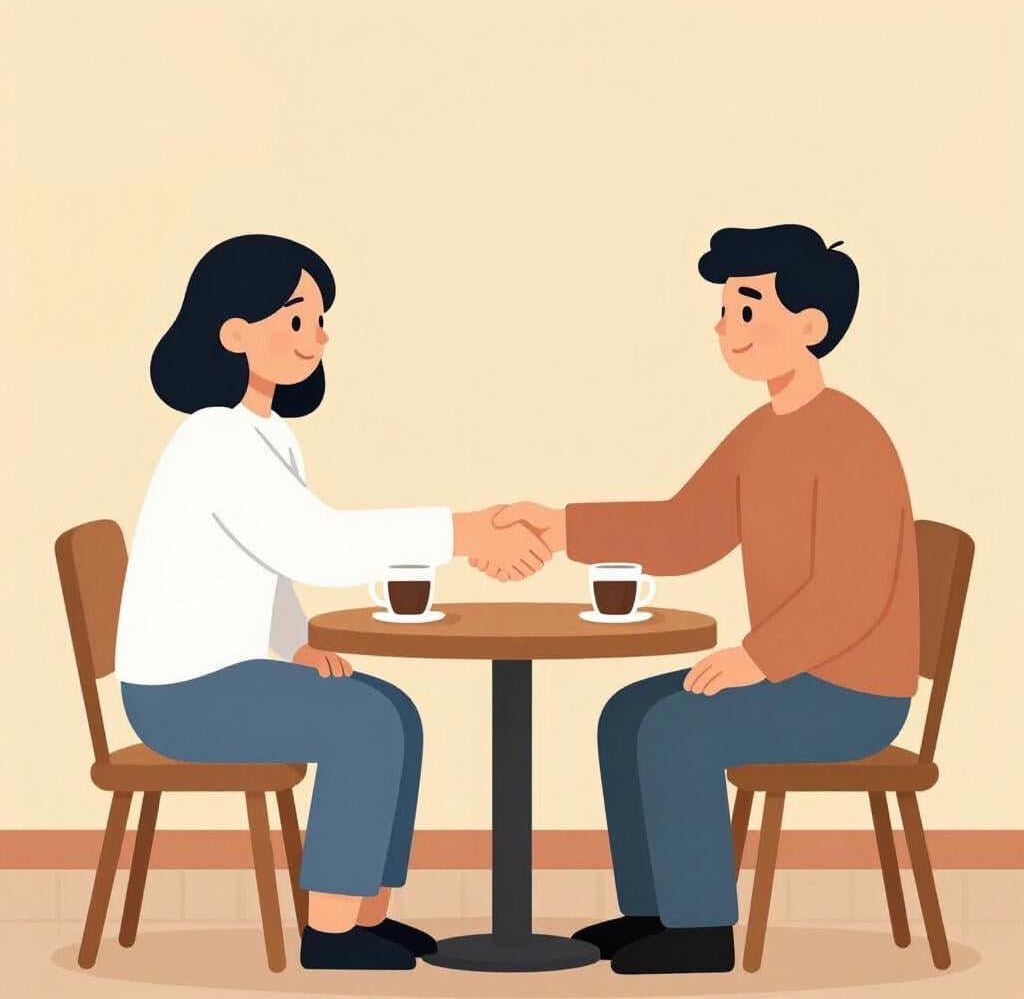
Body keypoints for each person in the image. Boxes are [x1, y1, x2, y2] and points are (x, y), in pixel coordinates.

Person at [486, 225, 919, 974]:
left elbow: (853, 590)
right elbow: (687, 530)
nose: (726, 326)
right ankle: (652, 910)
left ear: (810, 327)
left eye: (748, 308)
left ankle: (701, 930)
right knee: (629, 714)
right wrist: (559, 528)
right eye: (725, 310)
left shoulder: (852, 436)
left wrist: (758, 657)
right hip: (797, 676)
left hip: (854, 692)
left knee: (678, 729)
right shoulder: (761, 433)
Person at [115, 234, 549, 971]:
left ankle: (366, 912)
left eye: (319, 318)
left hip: (232, 674)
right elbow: (314, 546)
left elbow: (271, 564)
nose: (316, 334)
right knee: (366, 721)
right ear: (234, 334)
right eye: (296, 318)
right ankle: (331, 934)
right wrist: (466, 531)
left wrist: (292, 648)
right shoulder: (215, 438)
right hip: (181, 694)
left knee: (392, 709)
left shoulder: (267, 434)